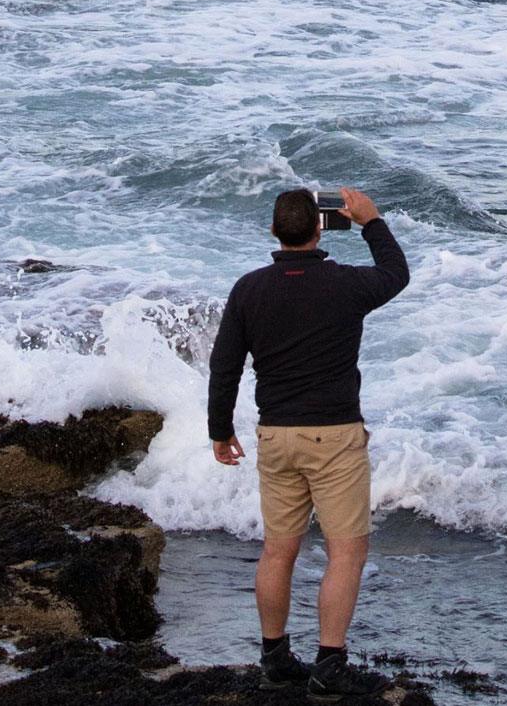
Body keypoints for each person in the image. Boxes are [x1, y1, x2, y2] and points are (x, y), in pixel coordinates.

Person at [208, 186, 410, 700]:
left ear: (274, 231)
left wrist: (219, 430)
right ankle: (328, 664)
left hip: (275, 435)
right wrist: (371, 220)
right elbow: (396, 274)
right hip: (335, 435)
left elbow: (224, 366)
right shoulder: (345, 284)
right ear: (320, 229)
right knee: (345, 553)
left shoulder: (249, 289)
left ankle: (275, 658)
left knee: (278, 551)